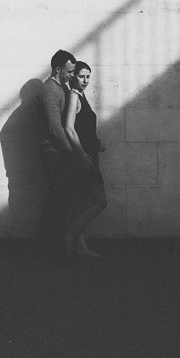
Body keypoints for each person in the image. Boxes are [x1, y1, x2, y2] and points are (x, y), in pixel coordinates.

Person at [35, 49, 77, 259]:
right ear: (58, 69)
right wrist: (72, 152)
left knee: (58, 199)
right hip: (54, 155)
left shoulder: (59, 88)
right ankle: (49, 248)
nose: (71, 74)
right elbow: (55, 128)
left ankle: (49, 247)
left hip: (58, 154)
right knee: (58, 200)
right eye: (69, 71)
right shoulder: (50, 91)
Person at [63, 61, 107, 258]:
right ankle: (69, 236)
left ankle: (81, 247)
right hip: (84, 159)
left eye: (88, 76)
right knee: (100, 201)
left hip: (89, 155)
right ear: (73, 77)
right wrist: (82, 155)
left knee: (81, 203)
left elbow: (83, 127)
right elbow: (69, 128)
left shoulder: (81, 96)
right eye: (81, 76)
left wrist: (95, 142)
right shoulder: (73, 96)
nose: (85, 80)